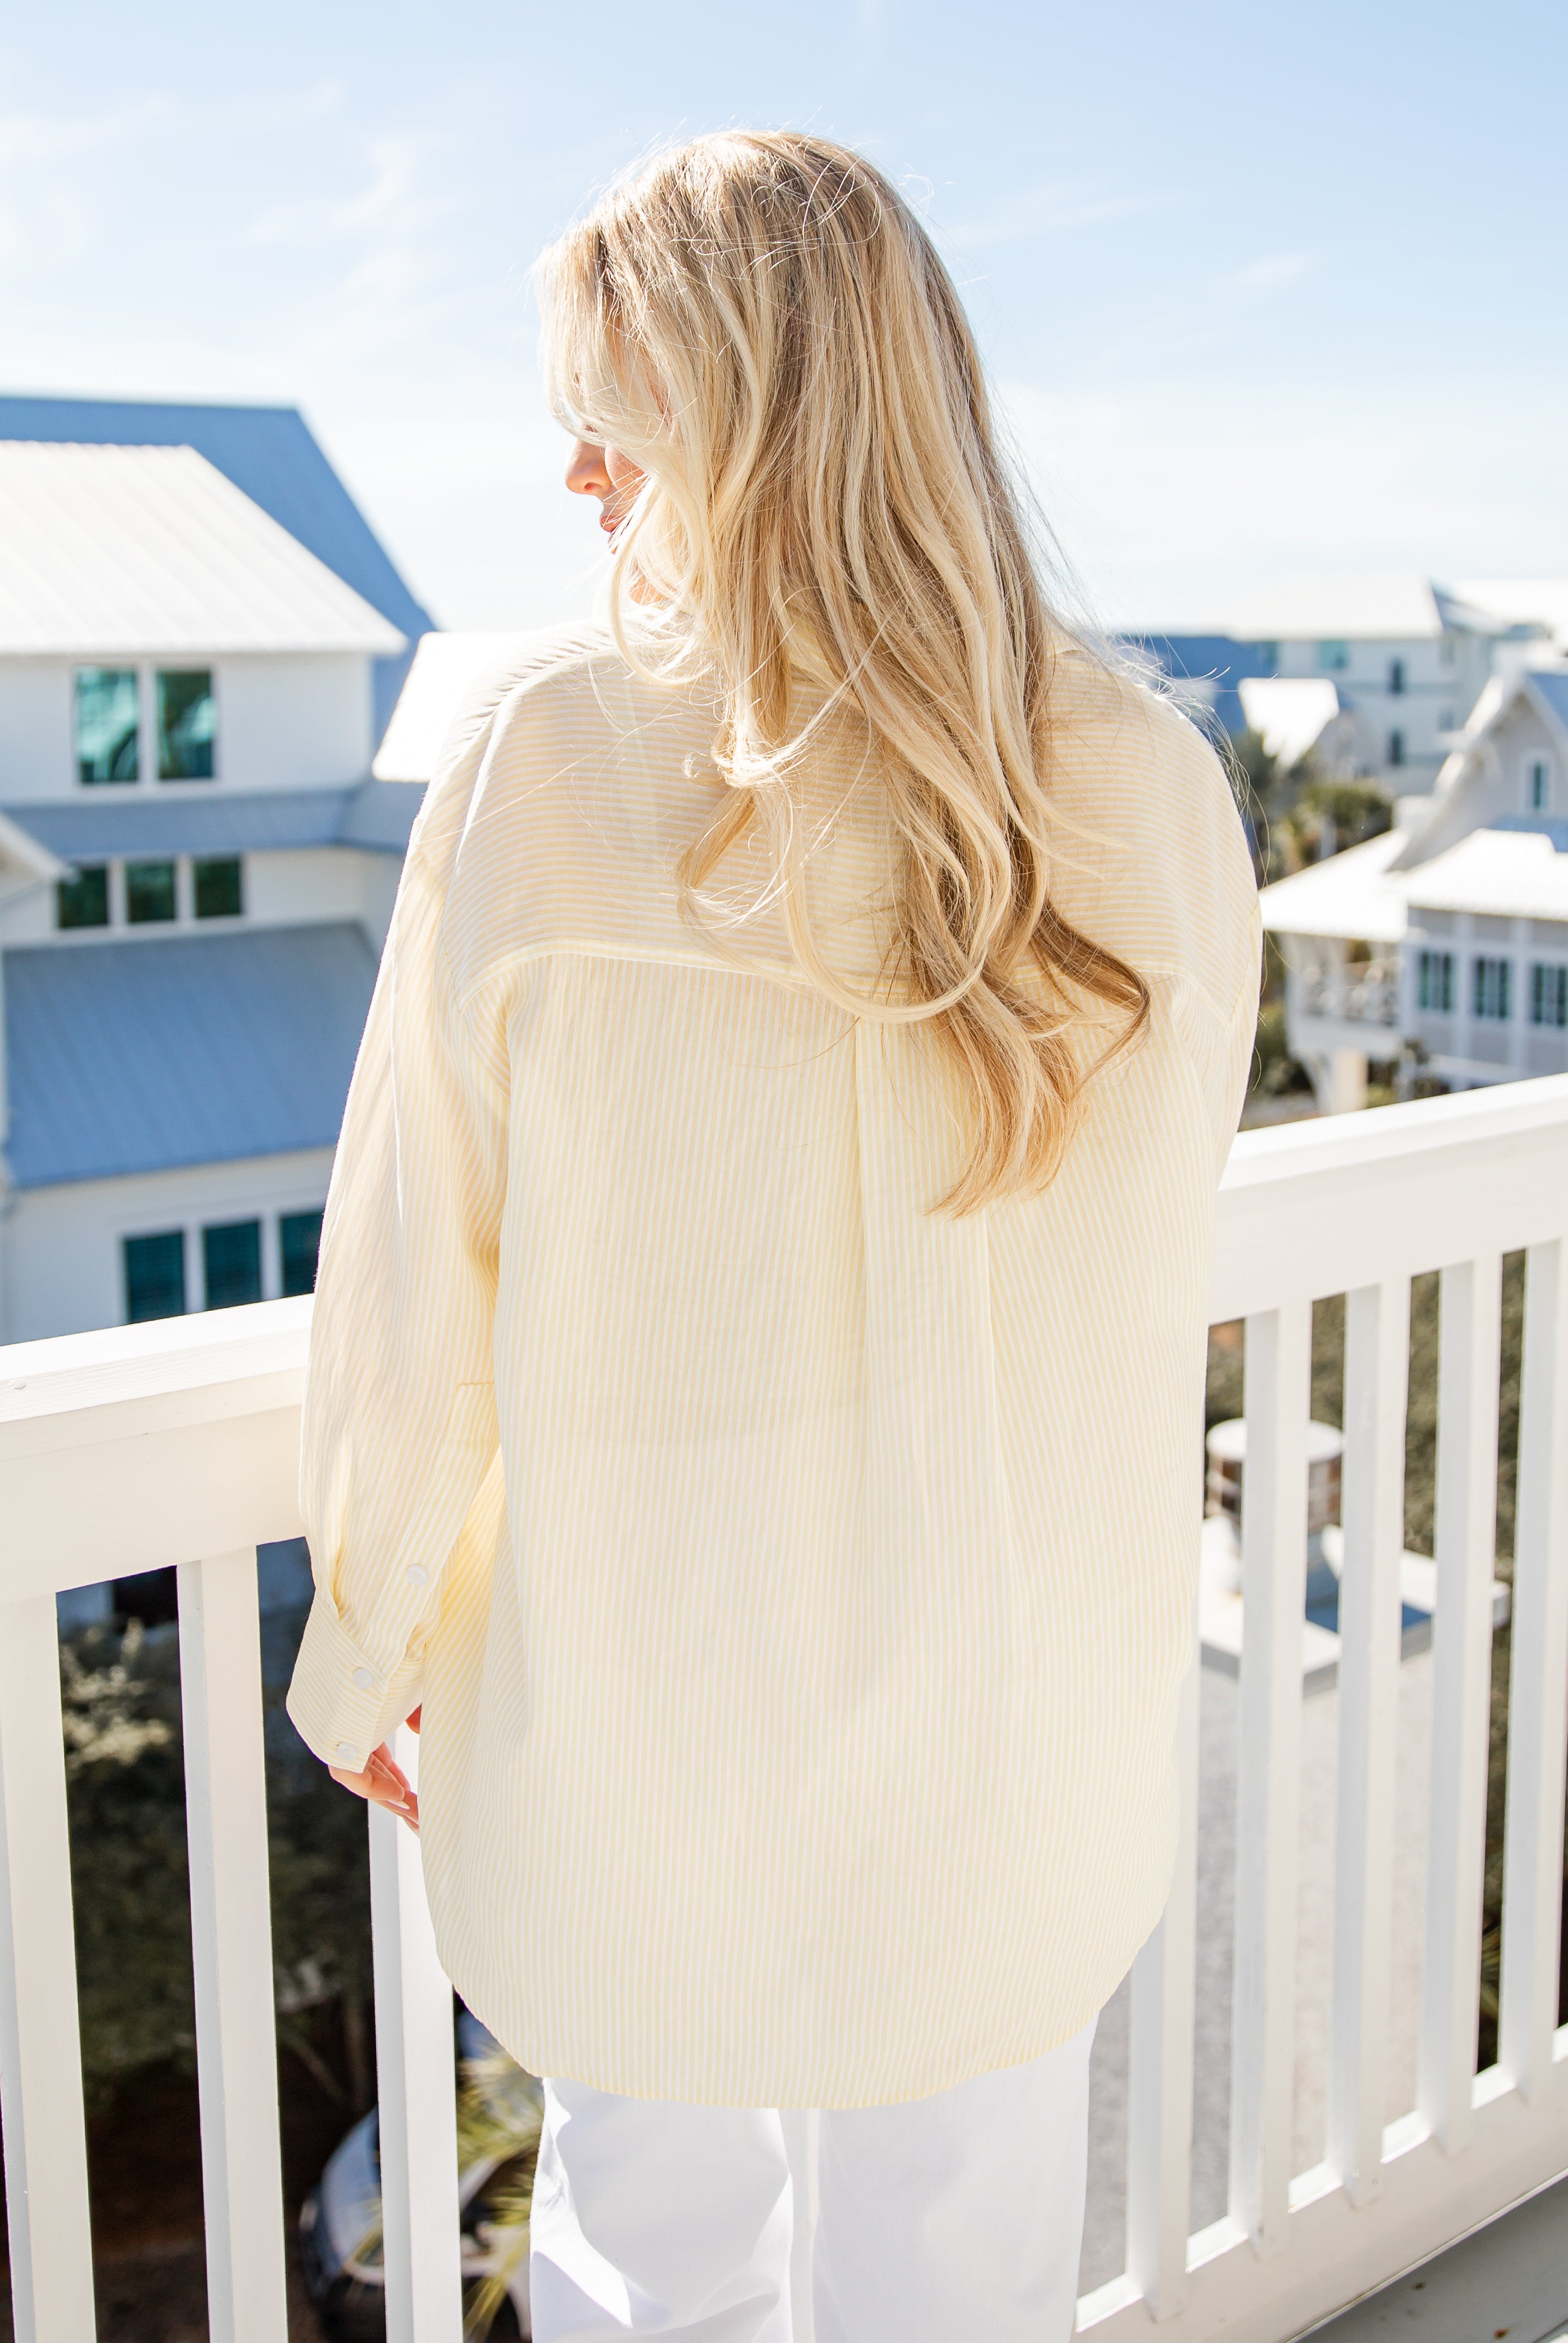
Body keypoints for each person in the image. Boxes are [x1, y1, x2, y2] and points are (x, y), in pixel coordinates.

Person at [287, 129, 1260, 2343]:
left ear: (748, 419)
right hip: (1015, 1703)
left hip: (649, 1700)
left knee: (653, 2262)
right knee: (963, 2273)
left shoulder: (546, 764)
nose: (575, 480)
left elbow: (425, 1273)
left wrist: (367, 1639)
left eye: (609, 420)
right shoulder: (1151, 785)